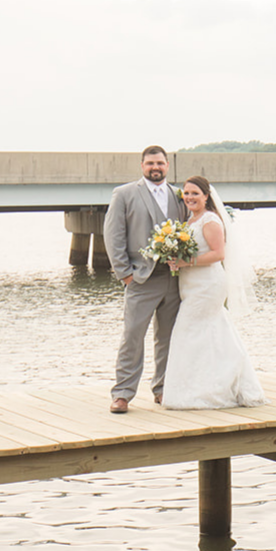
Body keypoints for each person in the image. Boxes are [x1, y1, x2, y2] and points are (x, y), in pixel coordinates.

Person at [161, 176, 267, 410]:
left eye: (195, 193)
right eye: (186, 193)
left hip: (207, 286)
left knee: (189, 332)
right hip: (191, 286)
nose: (189, 197)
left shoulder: (210, 220)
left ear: (206, 196)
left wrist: (185, 261)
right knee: (209, 333)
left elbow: (219, 254)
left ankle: (206, 390)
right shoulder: (190, 221)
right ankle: (210, 383)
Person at [104, 145, 185, 414]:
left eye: (160, 163)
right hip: (140, 279)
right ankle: (123, 394)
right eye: (150, 163)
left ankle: (162, 389)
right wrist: (124, 274)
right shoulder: (125, 194)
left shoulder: (179, 195)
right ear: (142, 166)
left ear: (167, 166)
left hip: (173, 278)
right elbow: (113, 235)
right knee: (132, 337)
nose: (155, 168)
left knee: (168, 337)